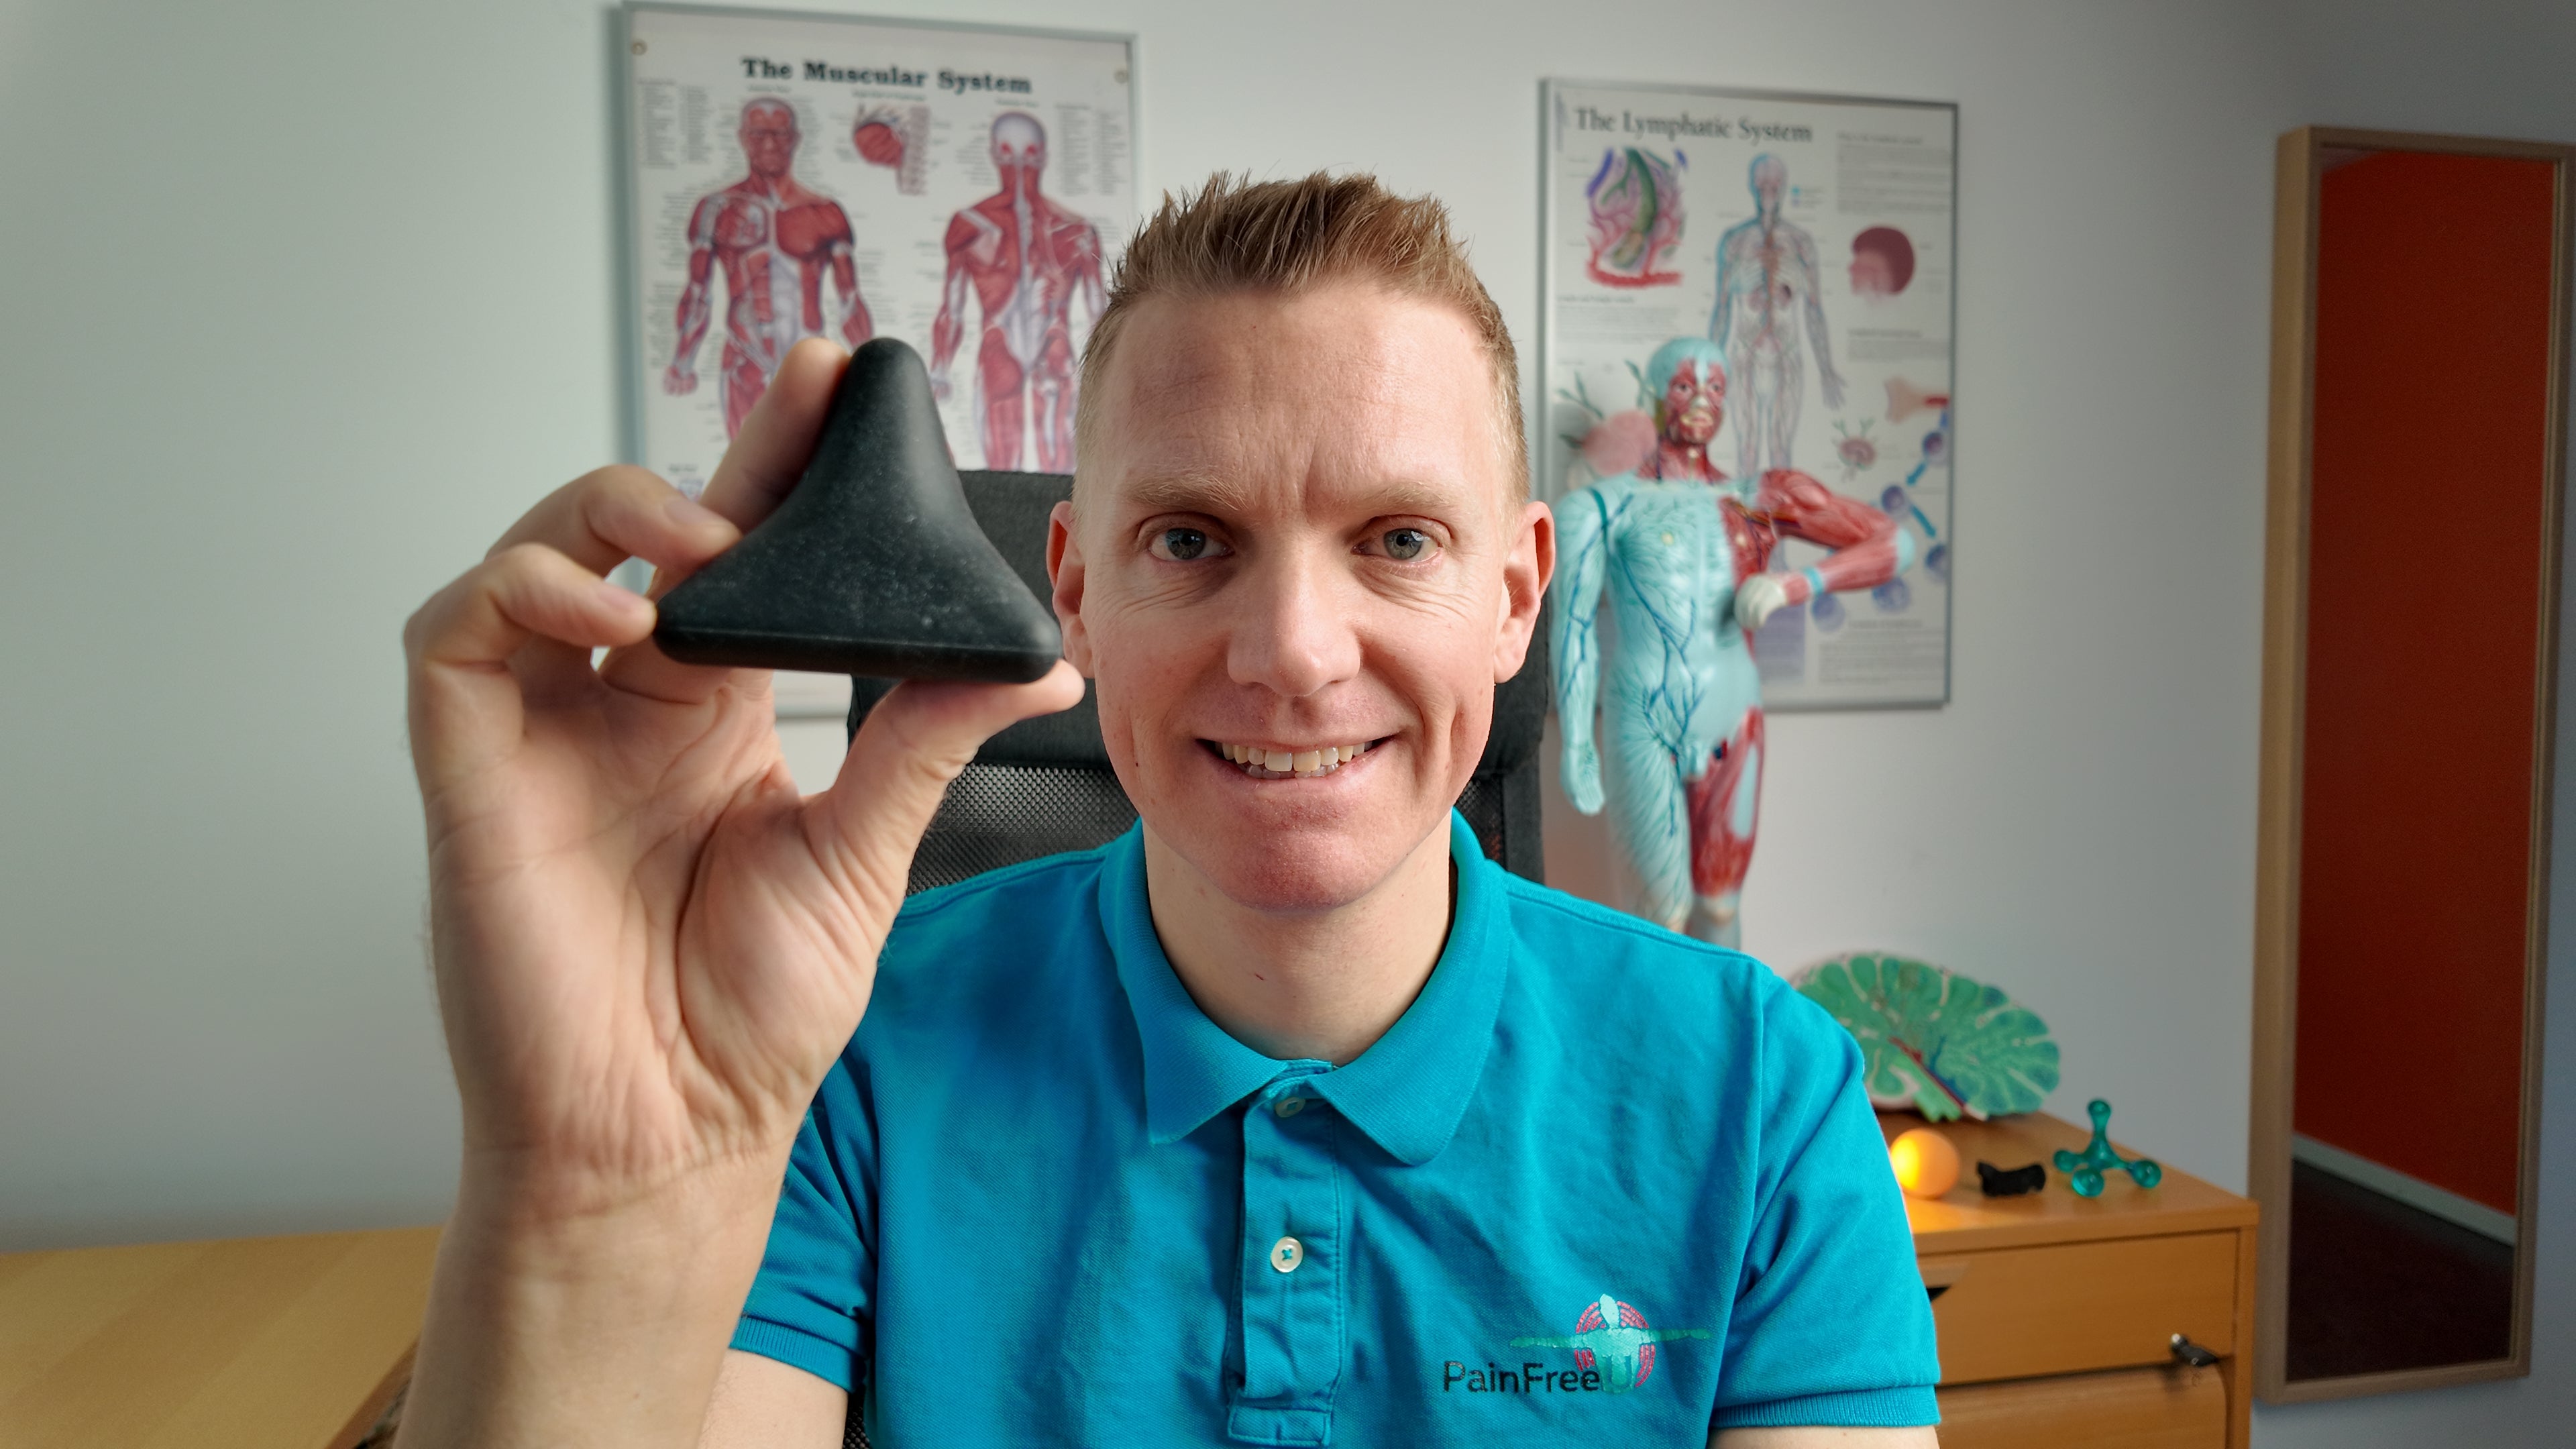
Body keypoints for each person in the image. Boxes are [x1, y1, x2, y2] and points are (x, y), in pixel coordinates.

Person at [396, 173, 1937, 1447]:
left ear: (1517, 596)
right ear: (1073, 591)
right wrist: (585, 1186)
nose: (1292, 652)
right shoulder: (832, 1047)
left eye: (1397, 538)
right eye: (1192, 539)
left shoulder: (1762, 1098)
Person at [1554, 337, 1915, 949]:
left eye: (1715, 387)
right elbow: (1574, 625)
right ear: (1656, 395)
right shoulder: (1602, 507)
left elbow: (1894, 544)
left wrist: (1797, 584)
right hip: (1644, 716)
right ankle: (1659, 1016)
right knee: (1659, 914)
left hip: (1735, 714)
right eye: (1684, 386)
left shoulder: (1759, 499)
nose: (1701, 400)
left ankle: (1724, 1016)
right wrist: (1575, 743)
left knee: (1720, 908)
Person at [665, 98, 875, 439]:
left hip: (810, 369)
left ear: (795, 139)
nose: (769, 145)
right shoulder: (715, 209)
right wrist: (682, 362)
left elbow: (850, 299)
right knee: (744, 469)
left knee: (811, 468)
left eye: (779, 134)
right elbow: (697, 293)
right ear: (743, 138)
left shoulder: (826, 213)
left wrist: (875, 375)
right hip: (744, 359)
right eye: (759, 134)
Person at [928, 112, 1108, 472]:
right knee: (1000, 469)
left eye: (1029, 156)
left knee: (1061, 472)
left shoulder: (1076, 230)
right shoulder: (970, 226)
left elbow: (1100, 313)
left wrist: (1109, 378)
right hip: (1001, 343)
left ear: (1043, 157)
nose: (1020, 169)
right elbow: (952, 308)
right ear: (995, 155)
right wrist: (940, 370)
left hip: (1051, 344)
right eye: (1010, 155)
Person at [1710, 154, 1843, 476]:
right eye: (1762, 183)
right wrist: (1709, 367)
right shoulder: (1735, 241)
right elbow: (1722, 306)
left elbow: (1813, 307)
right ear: (1752, 186)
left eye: (1774, 184)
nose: (1767, 190)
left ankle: (1778, 509)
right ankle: (1745, 509)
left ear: (1783, 187)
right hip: (1745, 350)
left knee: (1781, 447)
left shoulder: (1800, 243)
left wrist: (1826, 368)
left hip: (1787, 351)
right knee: (1747, 446)